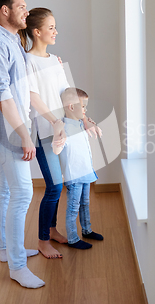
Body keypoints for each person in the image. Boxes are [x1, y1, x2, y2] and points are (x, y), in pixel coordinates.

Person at [19, 8, 102, 259]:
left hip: (68, 129)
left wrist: (85, 119)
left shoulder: (55, 59)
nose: (56, 31)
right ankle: (43, 240)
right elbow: (33, 97)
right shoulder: (28, 61)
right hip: (47, 133)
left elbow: (69, 94)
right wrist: (55, 121)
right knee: (54, 187)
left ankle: (53, 230)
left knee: (63, 184)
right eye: (51, 27)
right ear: (37, 31)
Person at [0, 0, 43, 289]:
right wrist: (24, 135)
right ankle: (17, 266)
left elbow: (20, 89)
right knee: (23, 194)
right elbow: (2, 94)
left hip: (15, 128)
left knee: (7, 190)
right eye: (22, 7)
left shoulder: (12, 40)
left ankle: (6, 250)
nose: (27, 12)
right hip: (9, 132)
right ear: (5, 10)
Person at [54, 87, 104, 249]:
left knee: (85, 203)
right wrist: (57, 137)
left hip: (86, 172)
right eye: (83, 106)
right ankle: (73, 238)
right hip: (75, 176)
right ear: (71, 107)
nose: (85, 110)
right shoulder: (65, 128)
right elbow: (57, 149)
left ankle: (87, 230)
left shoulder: (80, 125)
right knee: (73, 207)